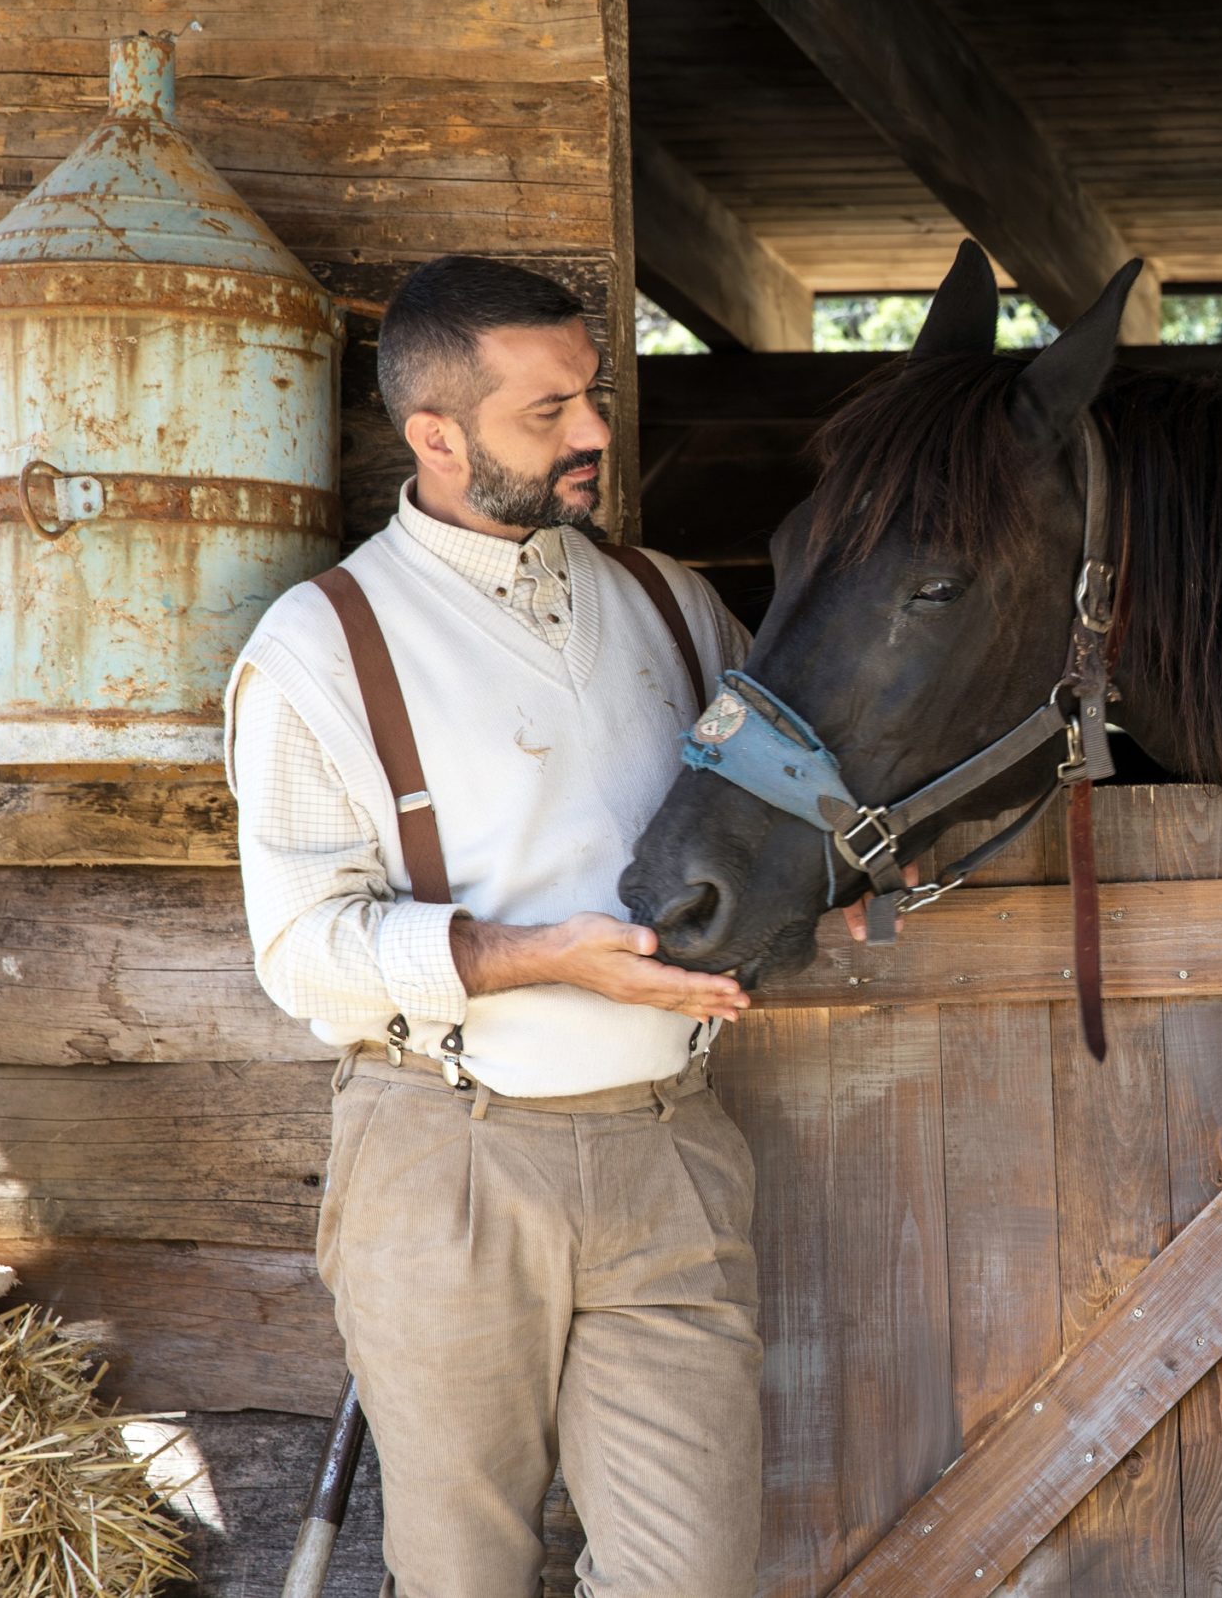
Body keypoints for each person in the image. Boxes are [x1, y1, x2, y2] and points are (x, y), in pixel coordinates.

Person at [224, 256, 759, 1596]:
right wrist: (542, 961)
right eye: (548, 412)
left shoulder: (676, 604)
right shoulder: (318, 648)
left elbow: (786, 809)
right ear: (437, 436)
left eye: (593, 396)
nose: (594, 433)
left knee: (694, 1578)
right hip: (446, 1155)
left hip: (671, 1151)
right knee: (465, 1574)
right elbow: (305, 954)